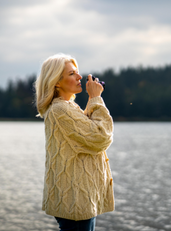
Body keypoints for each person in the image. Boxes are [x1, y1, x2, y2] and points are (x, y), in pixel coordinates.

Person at [35, 53, 114, 231]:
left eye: (77, 72)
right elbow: (101, 136)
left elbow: (87, 130)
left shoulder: (67, 107)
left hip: (78, 197)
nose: (79, 77)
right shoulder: (60, 109)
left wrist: (93, 98)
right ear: (56, 81)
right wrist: (95, 98)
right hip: (75, 200)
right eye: (72, 74)